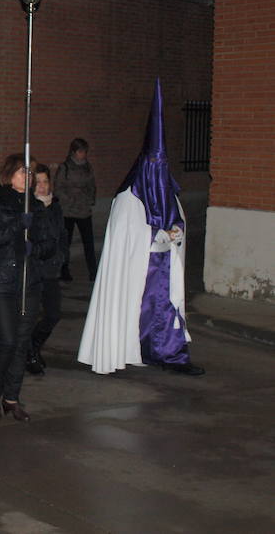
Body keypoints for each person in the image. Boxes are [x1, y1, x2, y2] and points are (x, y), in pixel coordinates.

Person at [78, 81, 204, 376]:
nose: (158, 170)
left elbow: (178, 221)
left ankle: (172, 355)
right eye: (153, 164)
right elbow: (126, 239)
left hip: (165, 270)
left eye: (163, 165)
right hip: (139, 273)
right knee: (139, 308)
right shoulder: (127, 199)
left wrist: (176, 233)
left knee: (168, 309)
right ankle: (131, 349)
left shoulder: (169, 192)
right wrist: (155, 237)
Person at [0, 154, 55, 422]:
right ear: (9, 174)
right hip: (0, 283)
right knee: (7, 341)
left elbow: (50, 245)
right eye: (24, 171)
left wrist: (34, 248)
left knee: (22, 343)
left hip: (29, 282)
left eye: (31, 172)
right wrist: (16, 225)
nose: (28, 176)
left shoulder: (37, 207)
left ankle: (12, 398)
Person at [25, 164, 67, 375]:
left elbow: (61, 235)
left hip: (51, 270)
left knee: (53, 314)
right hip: (34, 270)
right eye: (38, 182)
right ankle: (29, 352)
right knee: (29, 316)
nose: (42, 186)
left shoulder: (55, 206)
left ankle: (32, 346)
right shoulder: (29, 207)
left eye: (45, 181)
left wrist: (62, 258)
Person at [55, 138, 97, 282]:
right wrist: (70, 200)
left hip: (84, 209)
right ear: (73, 152)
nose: (83, 154)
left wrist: (89, 199)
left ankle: (93, 270)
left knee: (89, 242)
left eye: (85, 151)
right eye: (80, 151)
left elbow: (92, 185)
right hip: (68, 210)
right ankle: (64, 270)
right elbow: (58, 188)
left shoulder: (88, 167)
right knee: (65, 242)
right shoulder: (65, 168)